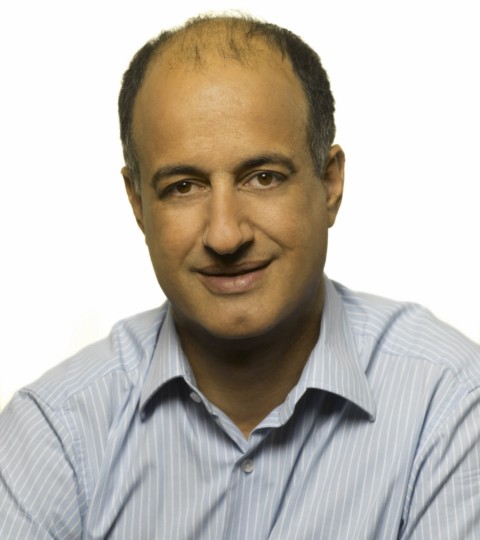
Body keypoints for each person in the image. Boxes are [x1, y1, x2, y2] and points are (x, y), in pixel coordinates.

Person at [1, 13, 479, 539]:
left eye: (263, 177)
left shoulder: (448, 403)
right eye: (183, 187)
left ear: (329, 184)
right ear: (138, 204)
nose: (226, 235)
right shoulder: (54, 432)